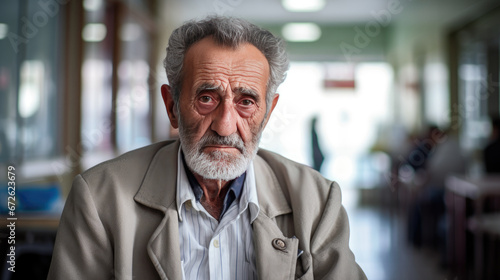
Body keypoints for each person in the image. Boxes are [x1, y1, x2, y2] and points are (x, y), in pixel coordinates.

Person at [47, 16, 366, 280]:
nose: (225, 126)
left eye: (246, 102)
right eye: (206, 98)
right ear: (172, 106)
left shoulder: (318, 202)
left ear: (267, 114)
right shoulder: (99, 198)